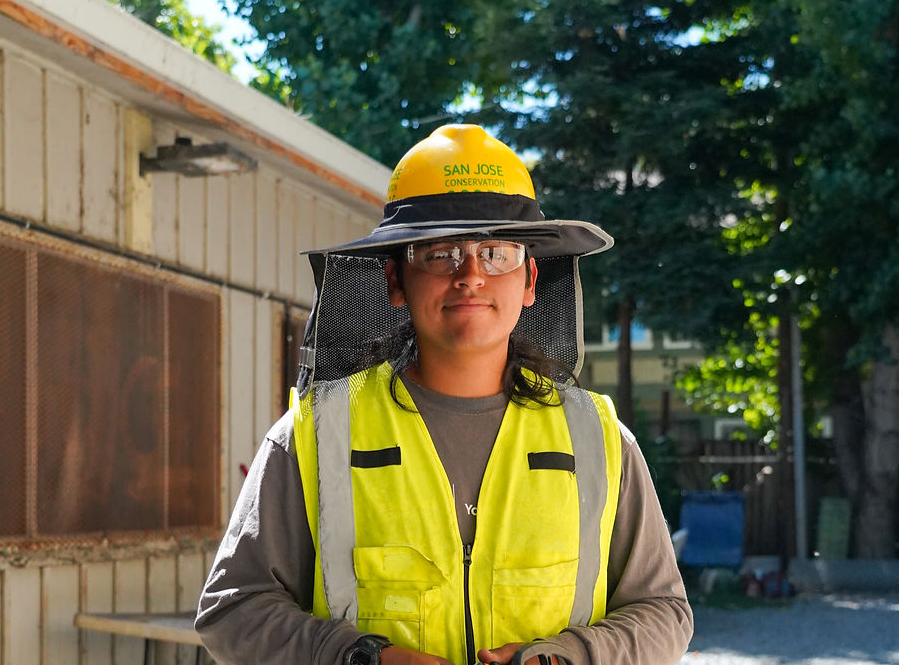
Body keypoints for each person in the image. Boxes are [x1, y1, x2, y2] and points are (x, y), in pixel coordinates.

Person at [195, 124, 693, 665]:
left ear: (529, 281)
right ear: (394, 280)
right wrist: (360, 659)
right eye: (440, 253)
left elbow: (664, 610)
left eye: (496, 252)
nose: (471, 275)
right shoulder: (315, 436)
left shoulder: (597, 439)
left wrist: (569, 658)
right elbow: (232, 611)